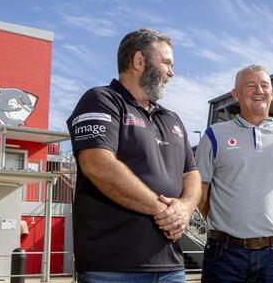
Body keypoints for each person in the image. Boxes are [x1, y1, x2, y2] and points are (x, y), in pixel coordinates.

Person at [67, 29, 201, 283]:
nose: (172, 72)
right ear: (139, 61)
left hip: (170, 267)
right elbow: (97, 165)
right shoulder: (101, 100)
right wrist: (164, 211)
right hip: (112, 268)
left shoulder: (172, 118)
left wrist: (184, 208)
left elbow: (191, 173)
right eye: (166, 63)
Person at [196, 64, 273, 283]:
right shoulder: (214, 135)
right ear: (235, 94)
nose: (259, 90)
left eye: (264, 85)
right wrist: (229, 224)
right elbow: (201, 194)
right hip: (224, 253)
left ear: (272, 93)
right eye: (250, 85)